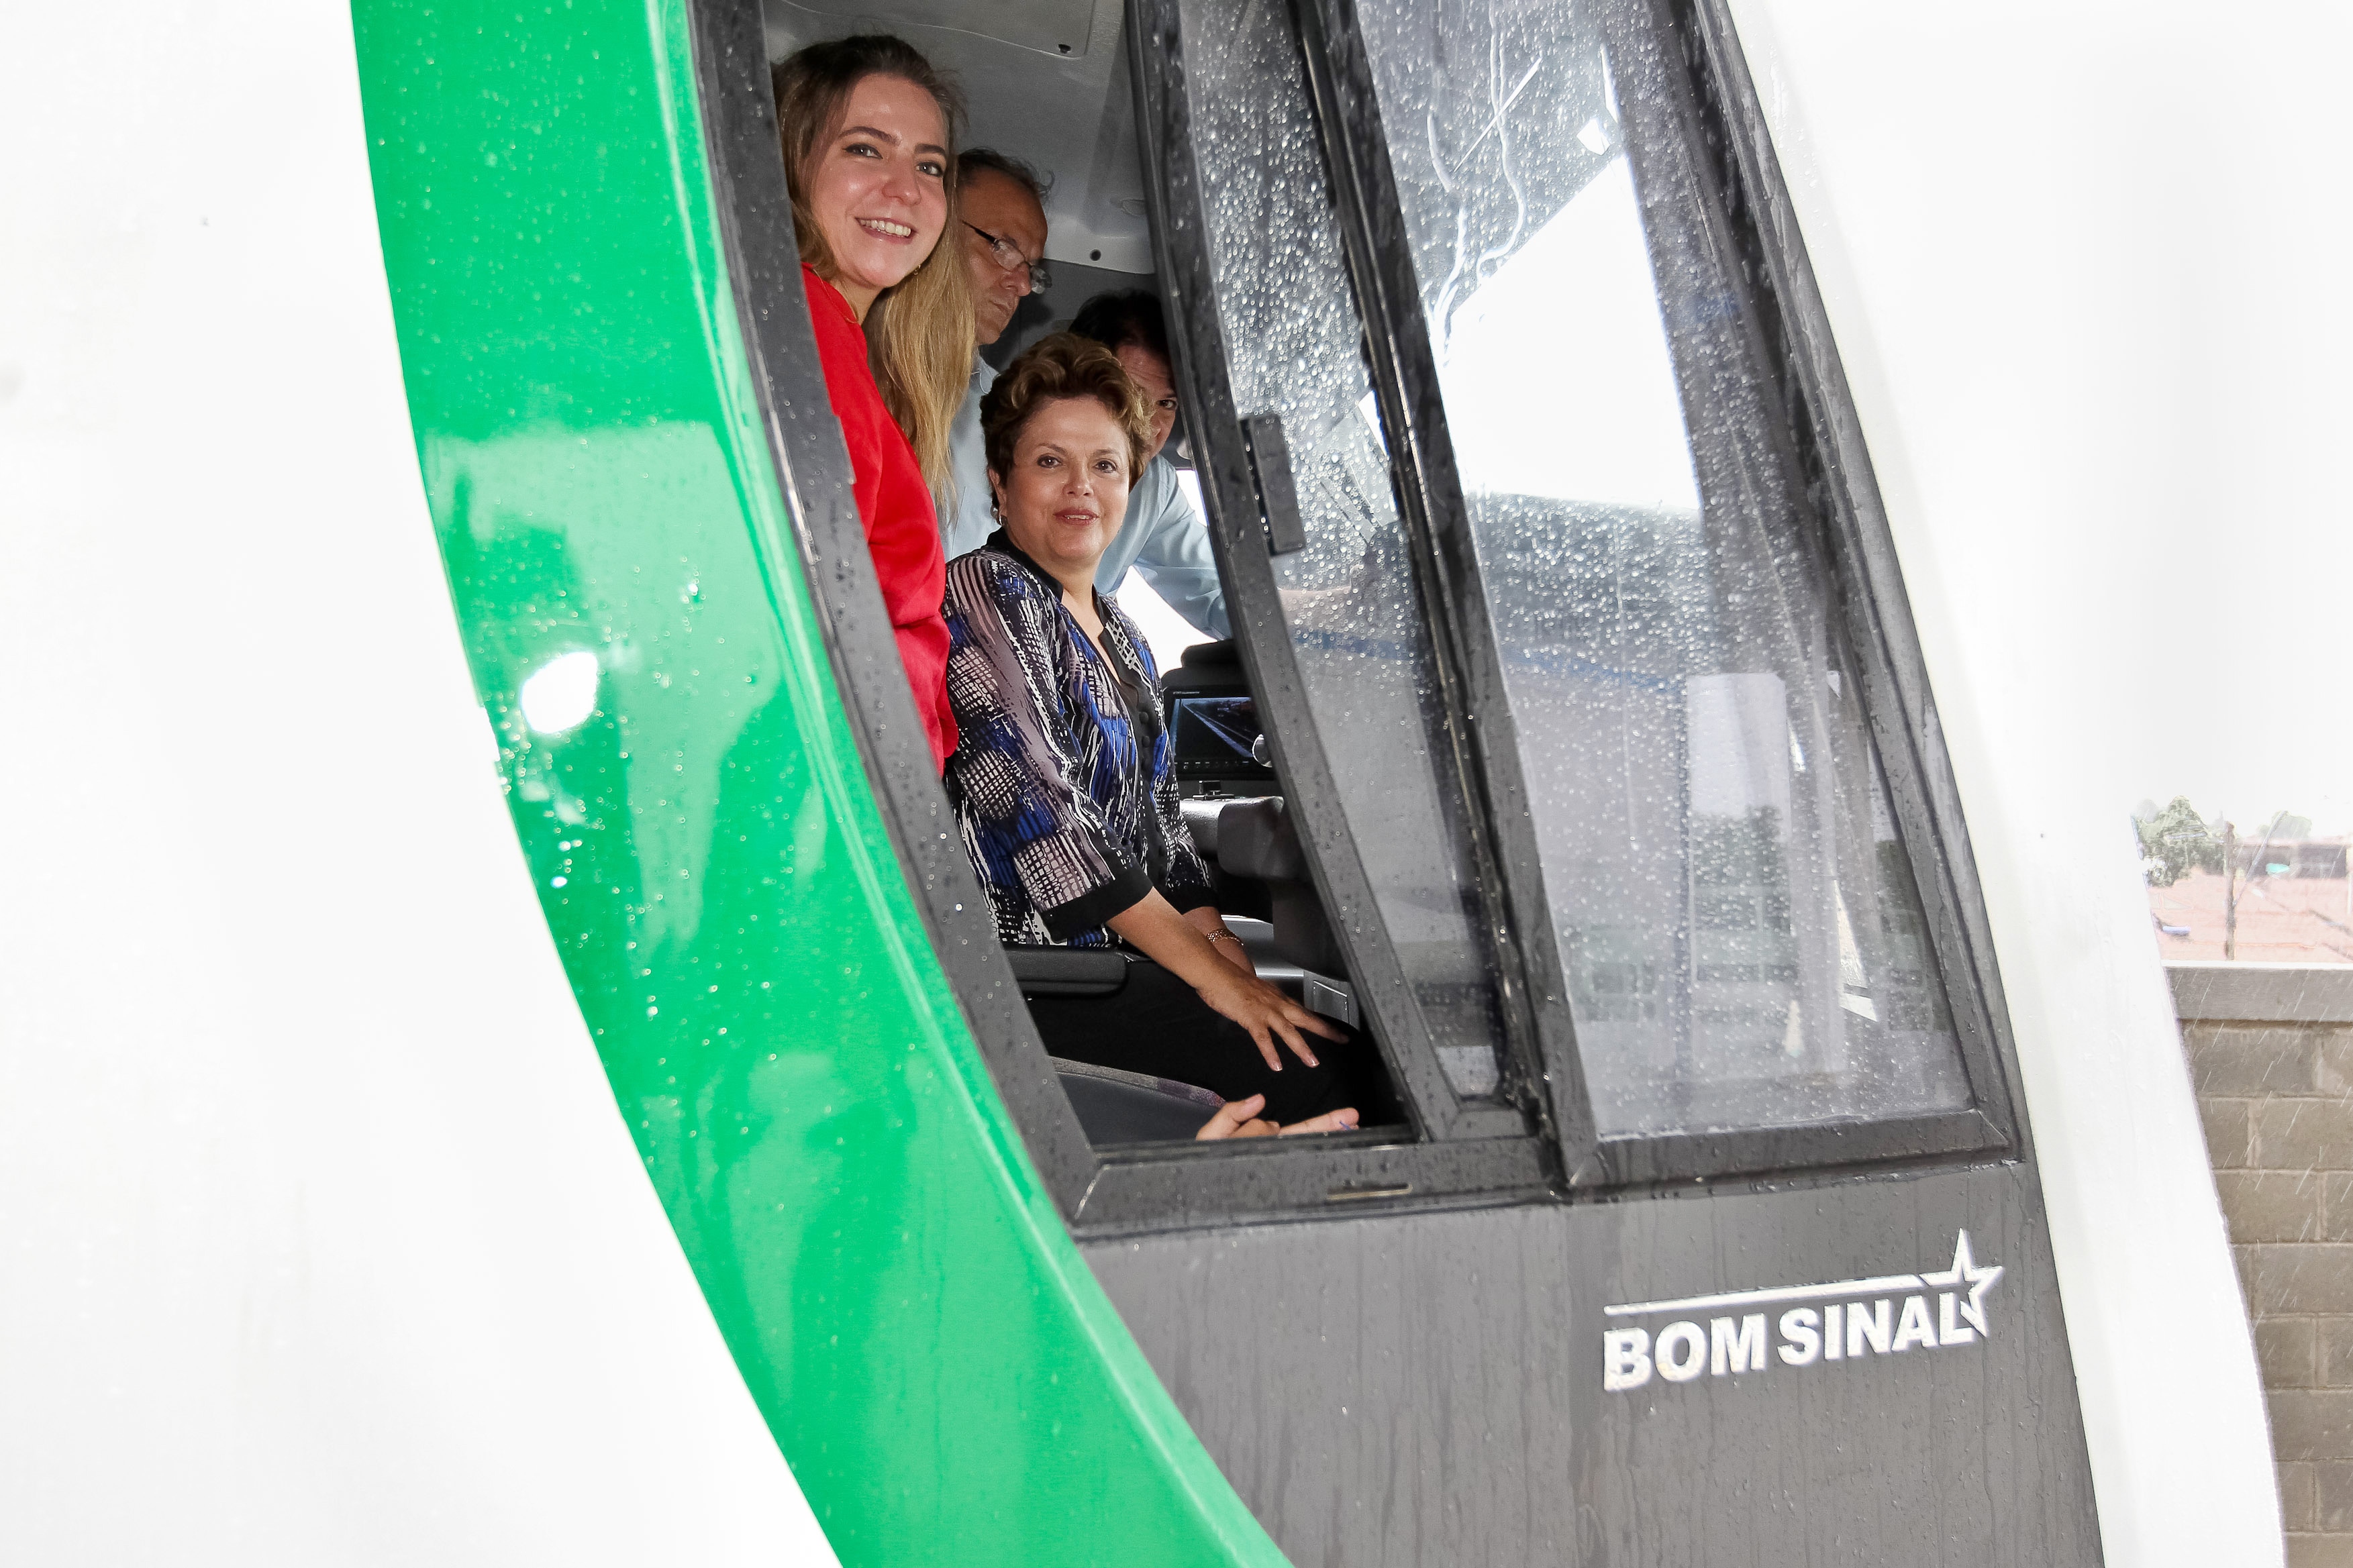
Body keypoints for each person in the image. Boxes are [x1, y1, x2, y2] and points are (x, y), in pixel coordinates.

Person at [942, 333, 1351, 1124]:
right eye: (1048, 462)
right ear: (999, 483)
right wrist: (1215, 983)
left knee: (1309, 1038)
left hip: (1109, 965)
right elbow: (1048, 824)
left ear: (1131, 481)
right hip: (1026, 976)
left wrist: (1240, 976)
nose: (1080, 488)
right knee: (1324, 1081)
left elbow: (1167, 847)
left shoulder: (1123, 635)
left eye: (1104, 464)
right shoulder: (984, 594)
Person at [772, 36, 969, 770]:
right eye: (864, 150)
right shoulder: (807, 327)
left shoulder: (835, 338)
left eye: (929, 166)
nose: (907, 189)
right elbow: (816, 603)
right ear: (793, 161)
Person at [1068, 291, 1228, 639]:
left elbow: (1217, 597)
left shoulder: (1155, 486)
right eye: (1134, 397)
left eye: (1167, 403)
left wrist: (1338, 607)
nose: (1153, 426)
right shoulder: (1000, 459)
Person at [940, 148, 1050, 559]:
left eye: (1032, 268)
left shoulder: (1007, 414)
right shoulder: (847, 368)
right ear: (933, 226)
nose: (1022, 285)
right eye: (1002, 247)